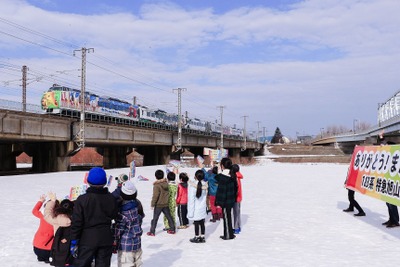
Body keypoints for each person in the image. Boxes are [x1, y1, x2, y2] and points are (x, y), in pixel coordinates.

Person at [70, 167, 118, 267]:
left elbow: (77, 222)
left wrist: (74, 240)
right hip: (105, 237)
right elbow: (115, 216)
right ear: (104, 182)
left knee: (82, 264)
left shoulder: (82, 199)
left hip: (87, 239)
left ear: (88, 181)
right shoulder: (111, 198)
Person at [112, 181, 143, 267]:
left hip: (125, 247)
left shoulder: (122, 212)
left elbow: (118, 230)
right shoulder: (138, 205)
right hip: (137, 244)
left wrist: (114, 240)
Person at [44, 193, 74, 267]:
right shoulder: (75, 221)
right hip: (71, 248)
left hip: (58, 247)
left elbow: (47, 213)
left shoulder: (55, 220)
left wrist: (52, 201)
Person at [377, 131, 400, 228]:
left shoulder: (396, 155)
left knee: (391, 201)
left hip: (395, 180)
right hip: (388, 179)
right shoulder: (389, 156)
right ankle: (391, 219)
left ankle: (395, 220)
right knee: (387, 200)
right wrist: (381, 137)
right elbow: (383, 144)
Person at [147, 169, 176, 236]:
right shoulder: (166, 183)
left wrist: (152, 204)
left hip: (158, 205)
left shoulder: (156, 185)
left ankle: (152, 231)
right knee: (169, 217)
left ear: (156, 176)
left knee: (155, 218)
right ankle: (172, 229)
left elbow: (155, 196)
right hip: (165, 204)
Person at [215, 157, 238, 240]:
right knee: (228, 217)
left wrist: (218, 203)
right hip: (231, 199)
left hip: (225, 201)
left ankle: (228, 235)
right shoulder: (232, 174)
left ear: (222, 166)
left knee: (226, 218)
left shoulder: (223, 177)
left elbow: (221, 192)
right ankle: (230, 233)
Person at [187, 170, 208, 243]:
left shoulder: (193, 186)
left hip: (196, 209)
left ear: (195, 176)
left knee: (196, 223)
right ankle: (202, 237)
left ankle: (197, 237)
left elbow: (191, 200)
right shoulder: (205, 185)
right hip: (202, 208)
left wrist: (190, 212)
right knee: (202, 223)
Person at [32, 194, 54, 264]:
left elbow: (34, 211)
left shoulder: (43, 215)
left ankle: (41, 258)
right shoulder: (57, 218)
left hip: (36, 247)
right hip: (48, 250)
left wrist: (40, 201)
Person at [232, 164, 244, 233]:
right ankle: (238, 226)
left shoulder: (235, 177)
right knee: (238, 212)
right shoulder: (238, 176)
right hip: (239, 197)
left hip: (236, 198)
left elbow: (237, 189)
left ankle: (236, 228)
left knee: (236, 213)